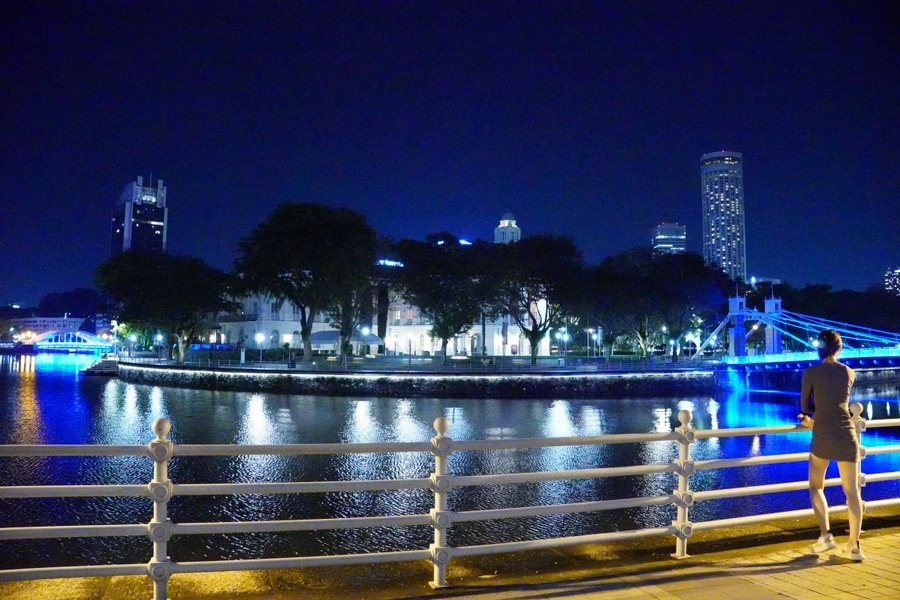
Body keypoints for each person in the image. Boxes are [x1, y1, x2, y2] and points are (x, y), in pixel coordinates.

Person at [797, 329, 864, 560]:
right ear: (839, 348)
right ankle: (854, 547)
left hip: (823, 434)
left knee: (816, 487)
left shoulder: (811, 372)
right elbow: (839, 401)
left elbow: (805, 406)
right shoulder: (849, 372)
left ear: (818, 348)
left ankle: (825, 536)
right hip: (847, 434)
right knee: (852, 492)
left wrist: (811, 418)